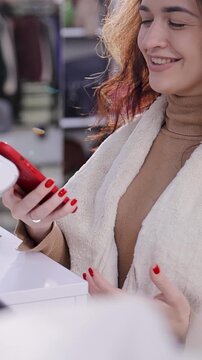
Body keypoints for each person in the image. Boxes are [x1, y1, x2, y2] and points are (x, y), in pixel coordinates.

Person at [2, 0, 202, 347]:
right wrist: (42, 224)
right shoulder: (130, 141)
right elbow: (85, 256)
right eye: (145, 20)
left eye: (178, 23)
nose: (150, 40)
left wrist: (180, 336)